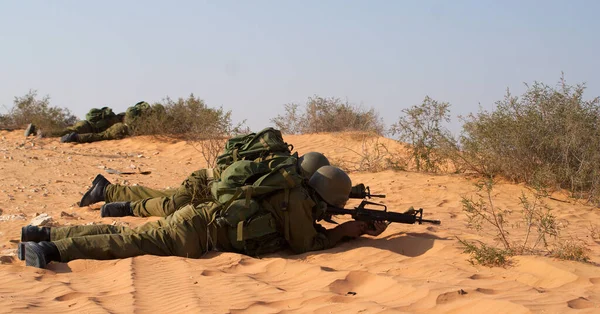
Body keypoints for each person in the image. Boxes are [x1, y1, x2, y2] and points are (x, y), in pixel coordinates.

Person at [18, 166, 389, 269]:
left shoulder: (285, 189)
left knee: (124, 232)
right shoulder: (299, 207)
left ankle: (41, 232)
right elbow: (305, 244)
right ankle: (51, 249)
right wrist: (346, 232)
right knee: (126, 242)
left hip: (196, 217)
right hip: (194, 237)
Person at [79, 152, 332, 218]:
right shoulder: (282, 176)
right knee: (169, 207)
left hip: (210, 183)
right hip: (206, 182)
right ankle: (126, 207)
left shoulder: (281, 167)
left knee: (162, 194)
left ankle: (107, 190)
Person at [24, 106, 125, 141]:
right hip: (86, 128)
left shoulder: (110, 117)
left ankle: (36, 128)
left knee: (65, 128)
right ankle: (43, 132)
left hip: (84, 123)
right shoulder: (116, 122)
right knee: (65, 131)